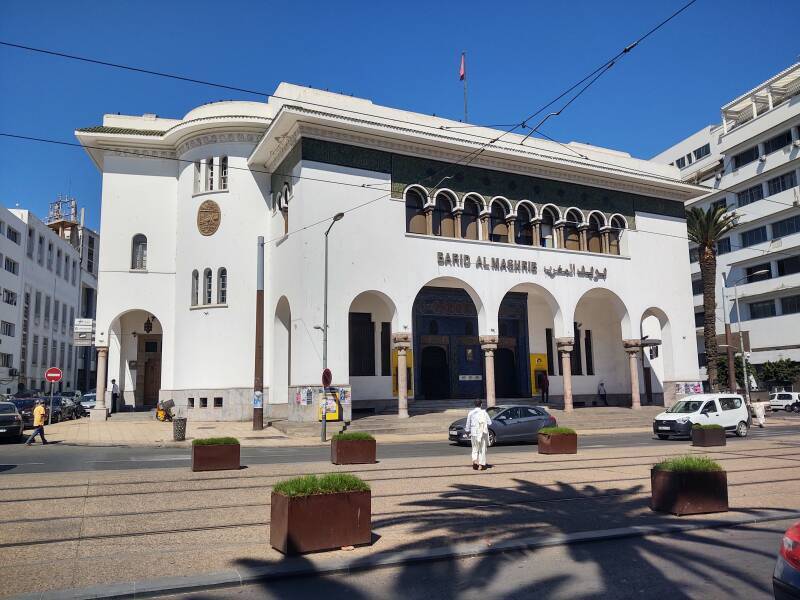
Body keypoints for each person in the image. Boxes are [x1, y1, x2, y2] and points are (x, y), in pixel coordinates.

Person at [465, 399, 492, 471]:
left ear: (474, 404)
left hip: (474, 433)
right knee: (482, 449)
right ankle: (481, 465)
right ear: (481, 404)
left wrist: (467, 431)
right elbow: (490, 423)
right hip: (482, 433)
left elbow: (468, 424)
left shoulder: (471, 413)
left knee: (474, 448)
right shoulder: (484, 413)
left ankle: (474, 462)